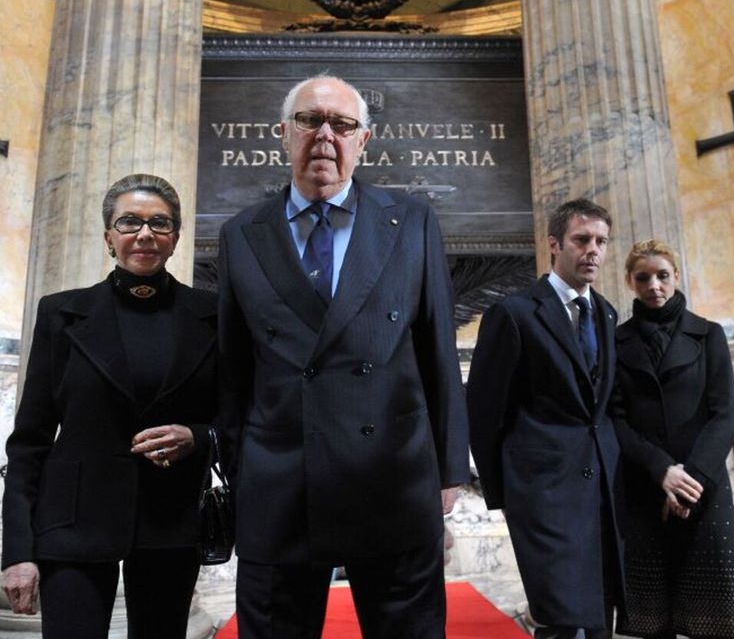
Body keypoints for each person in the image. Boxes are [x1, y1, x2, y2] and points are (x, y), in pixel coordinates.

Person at [217, 75, 470, 639]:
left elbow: (437, 350)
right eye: (310, 120)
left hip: (393, 478)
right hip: (280, 482)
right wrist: (239, 470)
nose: (325, 135)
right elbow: (233, 370)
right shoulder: (241, 234)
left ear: (365, 141)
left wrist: (449, 468)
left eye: (343, 124)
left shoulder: (412, 221)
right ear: (283, 134)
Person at [1, 174, 218, 639]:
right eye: (130, 222)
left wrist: (198, 436)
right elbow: (30, 441)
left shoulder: (212, 316)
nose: (145, 234)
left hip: (170, 522)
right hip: (72, 523)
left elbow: (238, 416)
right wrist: (18, 549)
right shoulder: (62, 313)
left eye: (160, 223)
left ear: (176, 237)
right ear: (108, 236)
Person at [467, 198, 623, 639]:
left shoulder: (607, 313)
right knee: (561, 614)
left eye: (601, 241)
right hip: (543, 492)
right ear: (554, 244)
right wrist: (509, 493)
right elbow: (484, 410)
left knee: (599, 615)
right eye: (582, 240)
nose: (593, 250)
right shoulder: (514, 314)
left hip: (601, 490)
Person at [611, 239, 734, 639]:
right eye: (644, 278)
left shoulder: (709, 335)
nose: (654, 285)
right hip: (645, 488)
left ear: (676, 277)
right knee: (654, 619)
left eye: (662, 276)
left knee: (714, 618)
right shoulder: (616, 342)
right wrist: (661, 472)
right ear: (630, 282)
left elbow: (726, 414)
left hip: (703, 489)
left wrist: (689, 482)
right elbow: (616, 420)